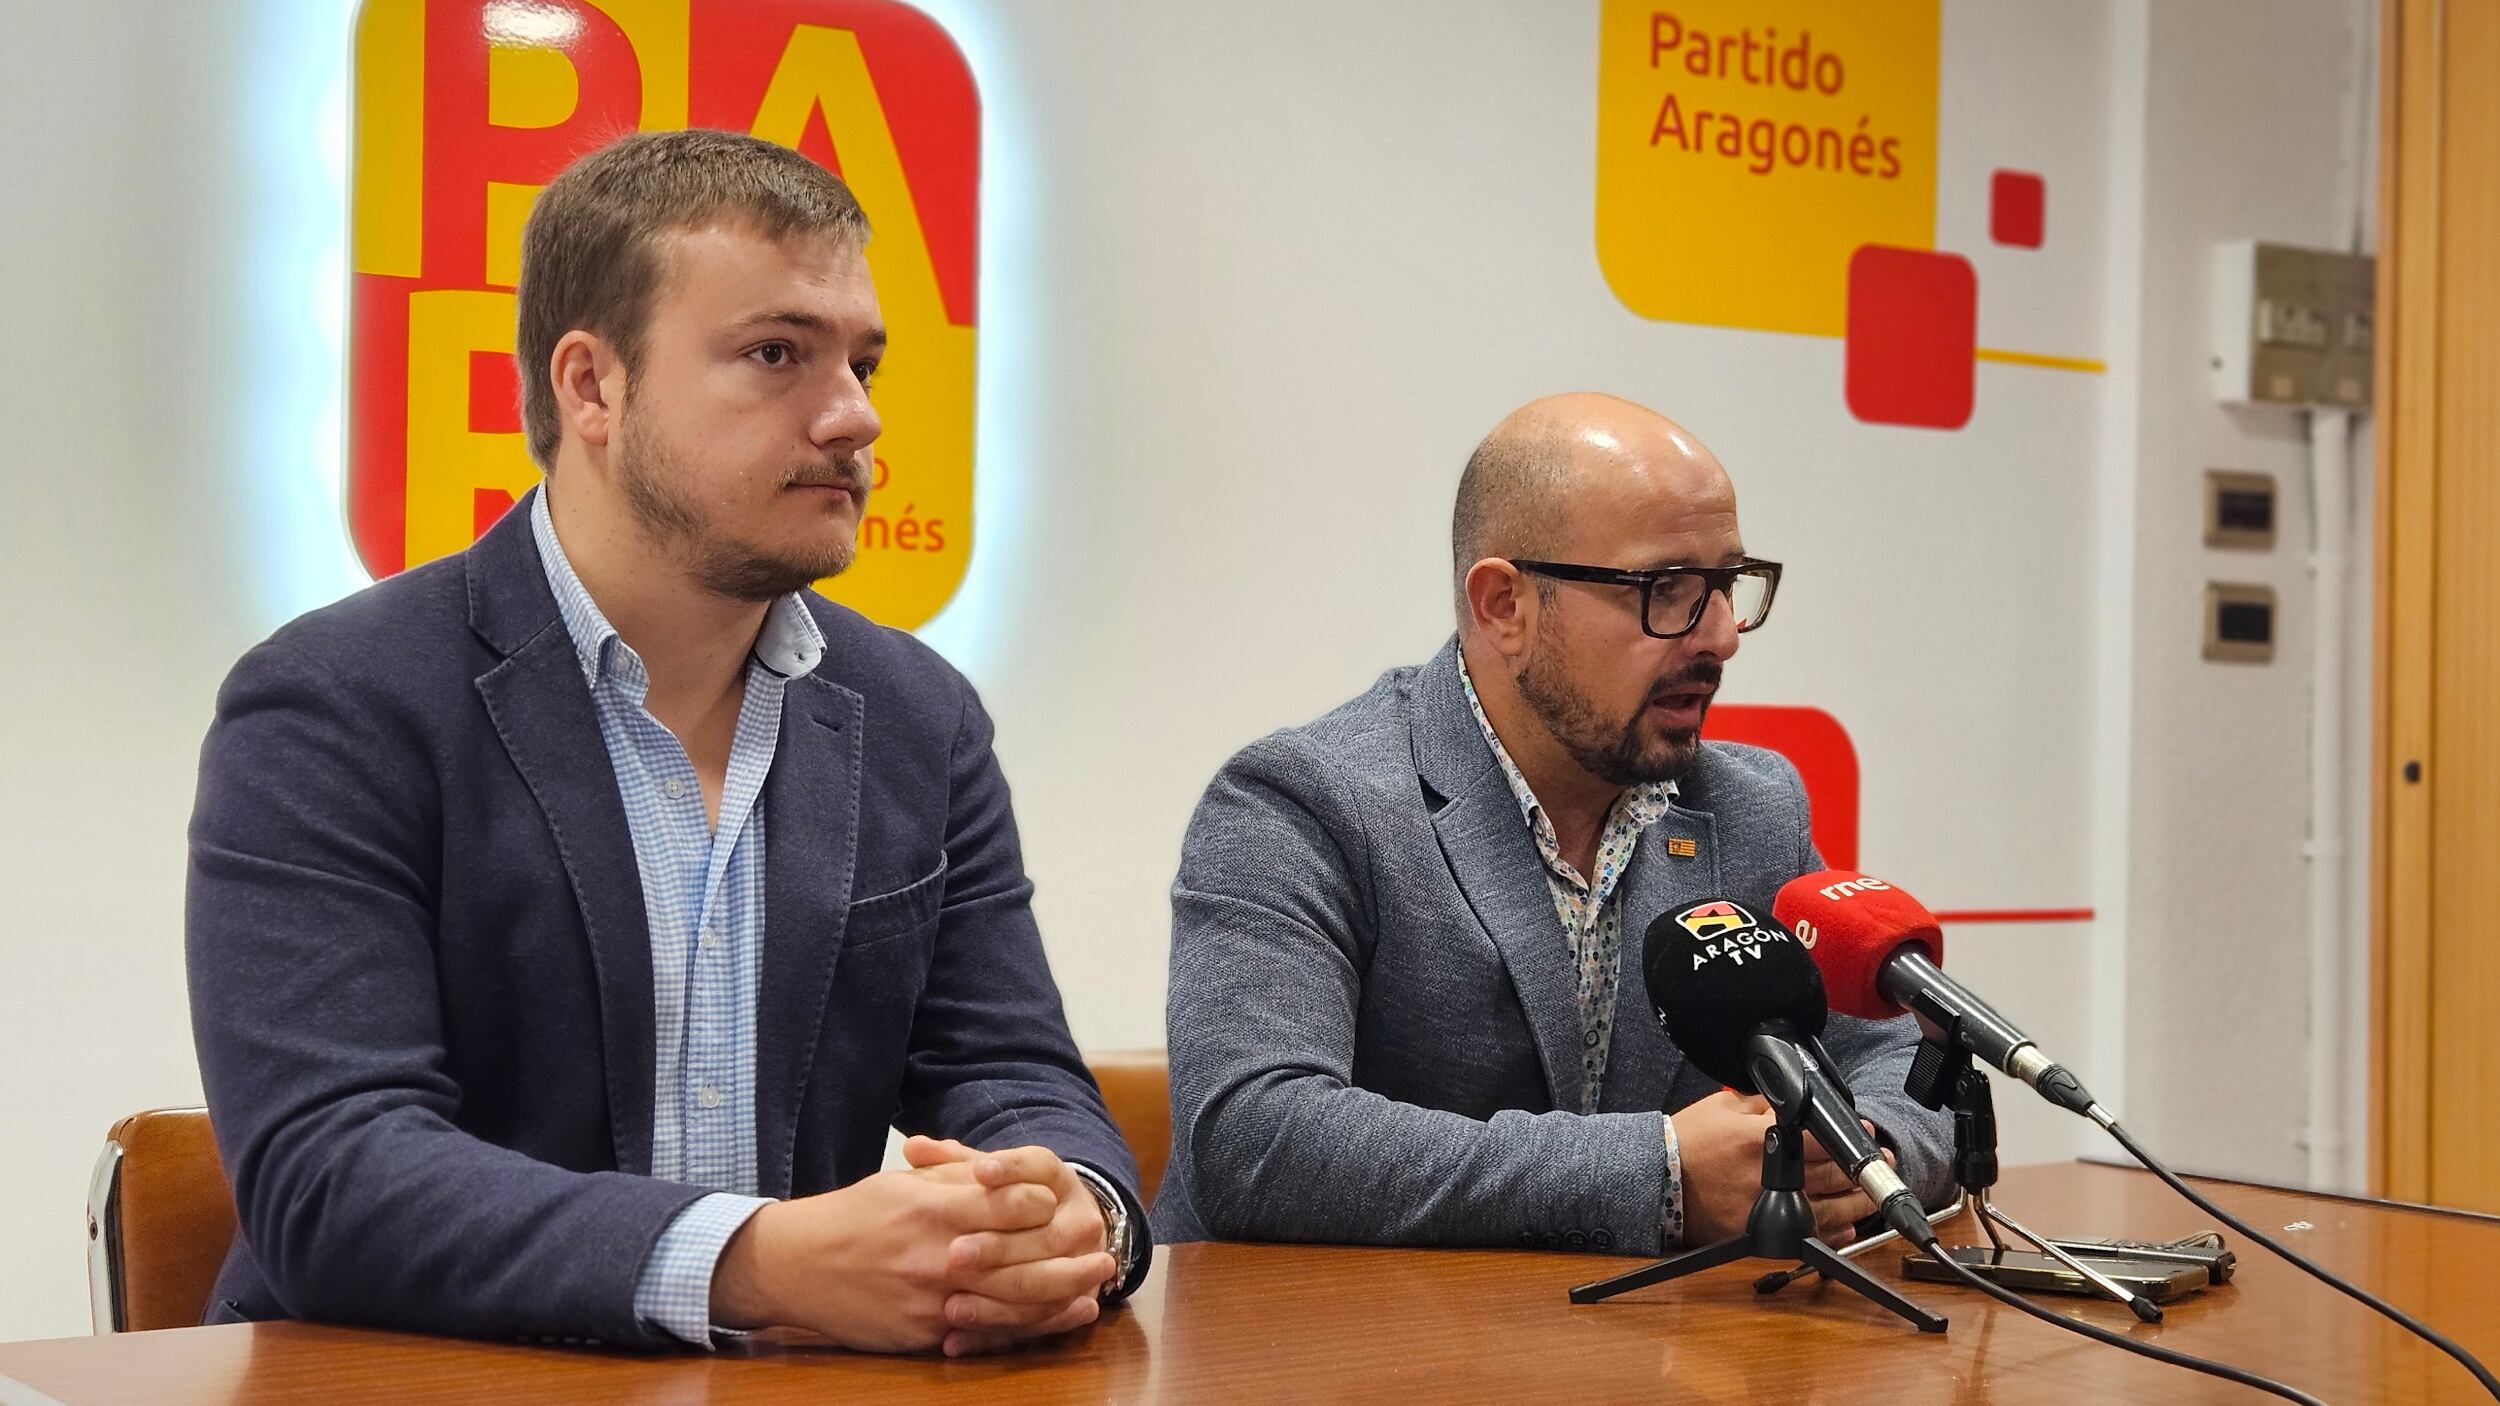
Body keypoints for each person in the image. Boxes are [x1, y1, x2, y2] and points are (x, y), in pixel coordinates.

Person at [187, 129, 1147, 1355]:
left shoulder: (918, 713)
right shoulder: (334, 701)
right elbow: (335, 1174)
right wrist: (758, 1259)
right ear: (592, 386)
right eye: (775, 354)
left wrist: (1071, 1211)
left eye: (862, 361)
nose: (854, 416)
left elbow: (1012, 1067)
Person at [1156, 392, 1951, 1255]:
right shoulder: (1304, 800)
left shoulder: (1750, 807)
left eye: (1725, 585)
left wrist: (1858, 1156)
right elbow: (1255, 1136)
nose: (1720, 636)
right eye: (1667, 590)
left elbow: (1896, 1065)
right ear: (1505, 606)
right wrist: (1659, 1174)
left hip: (1655, 1359)